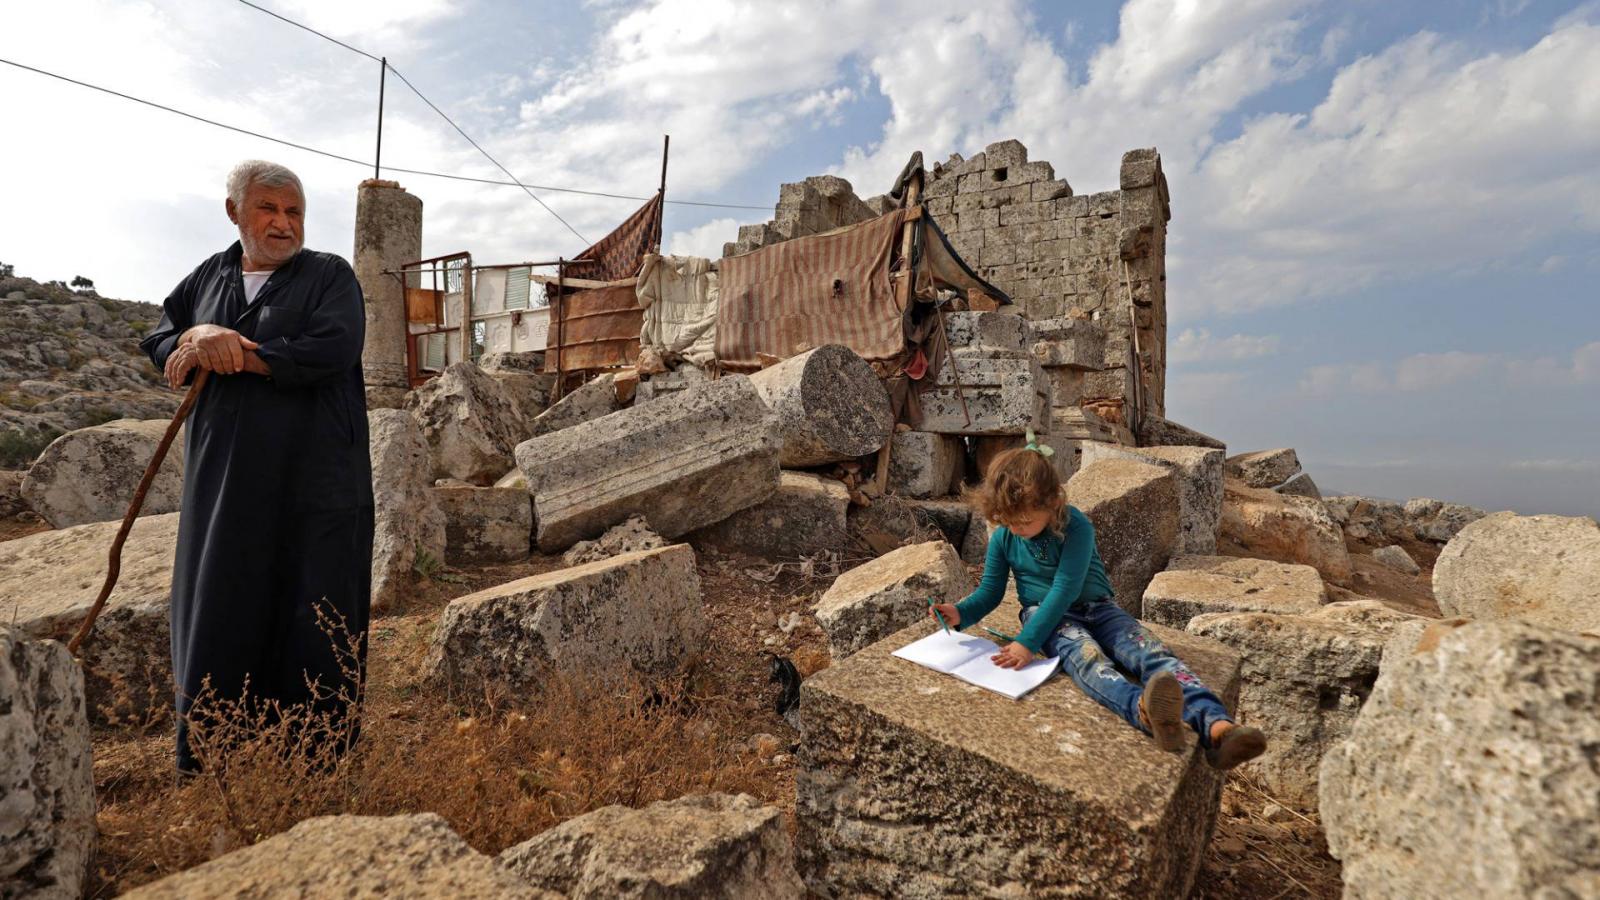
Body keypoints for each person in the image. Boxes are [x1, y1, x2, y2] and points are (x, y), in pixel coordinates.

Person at [140, 160, 374, 774]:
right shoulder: (207, 278)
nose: (283, 223)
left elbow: (334, 347)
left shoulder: (328, 275)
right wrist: (195, 336)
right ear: (234, 212)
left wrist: (237, 354)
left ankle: (318, 761)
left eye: (294, 211)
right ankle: (215, 758)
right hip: (224, 480)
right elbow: (160, 338)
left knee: (314, 607)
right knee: (222, 598)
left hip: (315, 479)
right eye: (268, 208)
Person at [929, 436, 1267, 769]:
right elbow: (990, 591)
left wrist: (1026, 643)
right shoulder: (1005, 537)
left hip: (1099, 608)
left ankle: (1218, 728)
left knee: (1150, 652)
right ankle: (1143, 711)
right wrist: (960, 612)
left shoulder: (1075, 525)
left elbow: (1065, 588)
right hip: (1044, 616)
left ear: (1052, 502)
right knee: (1087, 658)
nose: (1016, 528)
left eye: (1025, 521)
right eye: (1008, 521)